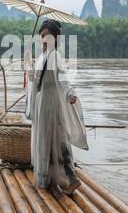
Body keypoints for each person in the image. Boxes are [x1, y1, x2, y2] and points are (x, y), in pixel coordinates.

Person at [25, 19, 88, 194]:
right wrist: (29, 64)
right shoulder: (41, 57)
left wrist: (70, 93)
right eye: (42, 36)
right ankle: (48, 180)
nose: (43, 39)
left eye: (47, 36)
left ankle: (70, 179)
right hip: (41, 103)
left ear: (55, 39)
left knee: (58, 140)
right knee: (44, 141)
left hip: (52, 103)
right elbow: (34, 80)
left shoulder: (55, 56)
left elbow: (64, 79)